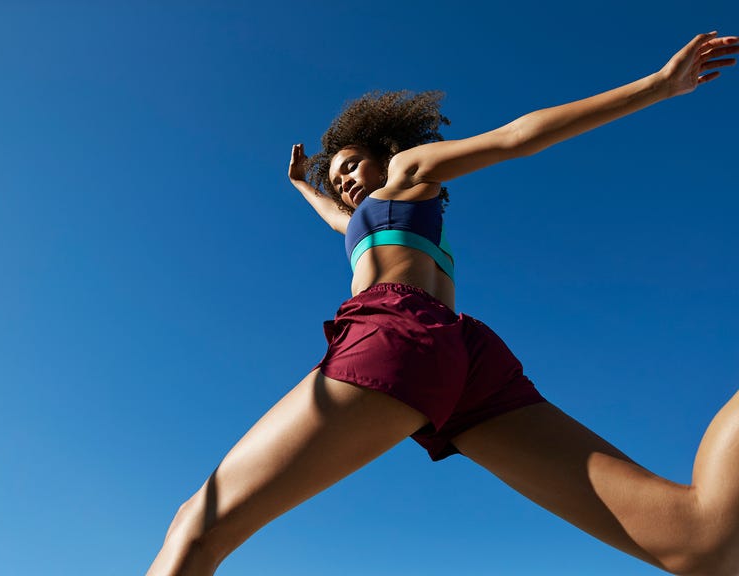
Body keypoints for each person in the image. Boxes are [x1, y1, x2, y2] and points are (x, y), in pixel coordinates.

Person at [147, 32, 739, 576]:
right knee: (698, 540)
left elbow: (515, 138)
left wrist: (658, 85)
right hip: (465, 362)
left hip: (396, 334)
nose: (344, 180)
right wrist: (303, 183)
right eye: (338, 177)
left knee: (197, 526)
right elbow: (336, 218)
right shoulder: (371, 223)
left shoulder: (407, 173)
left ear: (387, 152)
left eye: (352, 164)